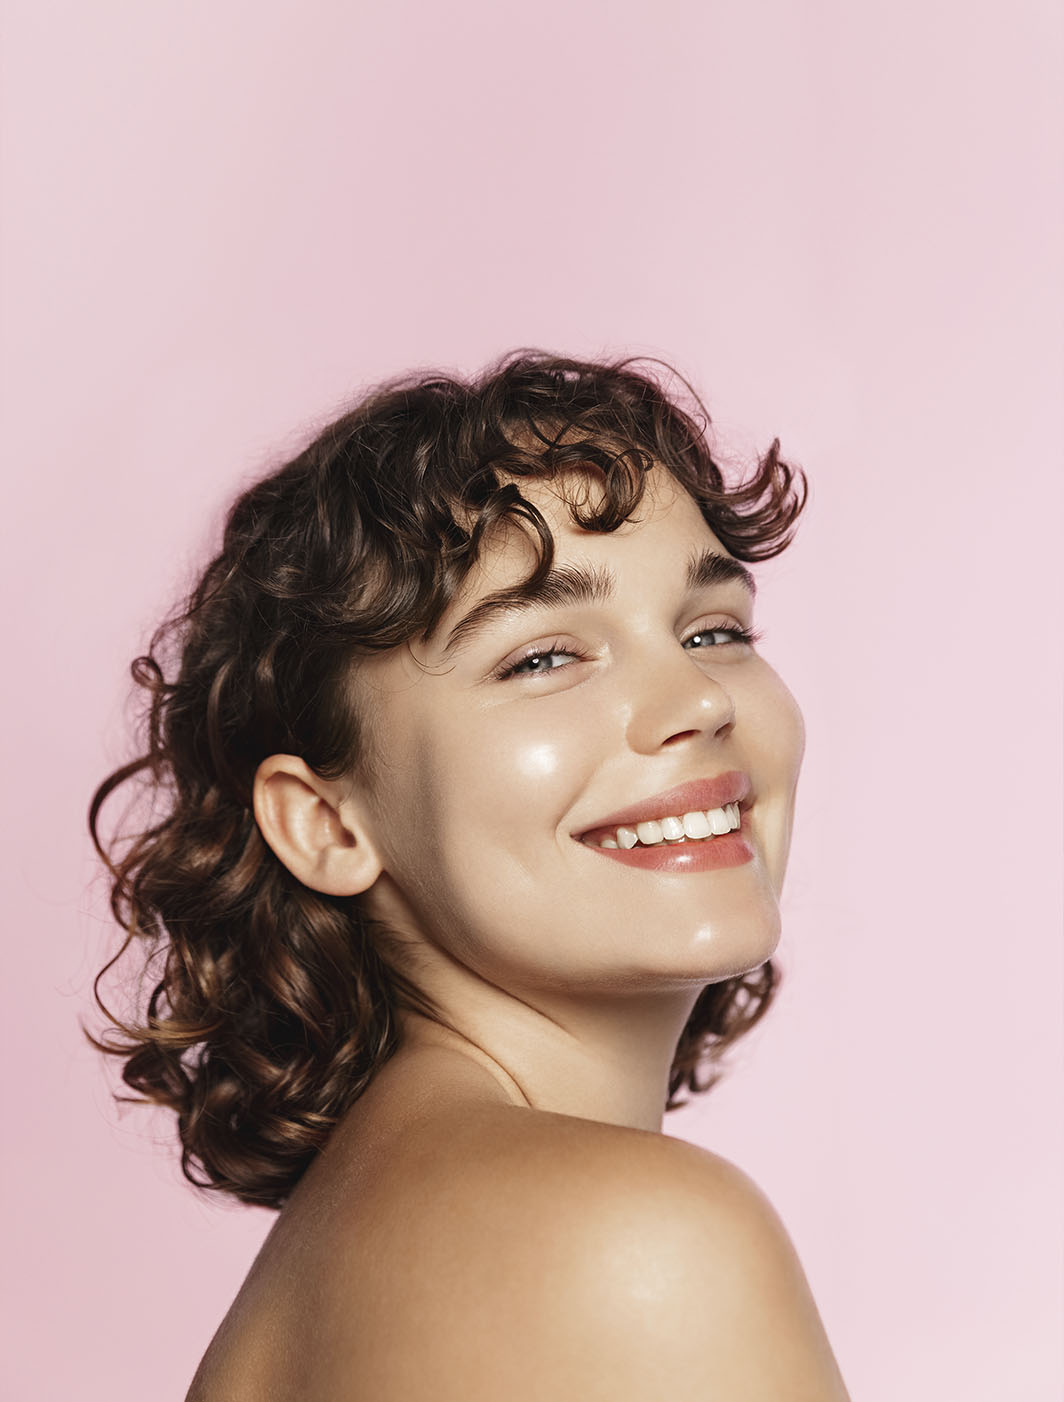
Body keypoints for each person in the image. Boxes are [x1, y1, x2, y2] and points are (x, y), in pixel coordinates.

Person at [90, 351, 851, 1400]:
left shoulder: (356, 1233)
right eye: (542, 656)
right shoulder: (640, 1246)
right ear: (325, 824)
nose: (696, 699)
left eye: (712, 629)